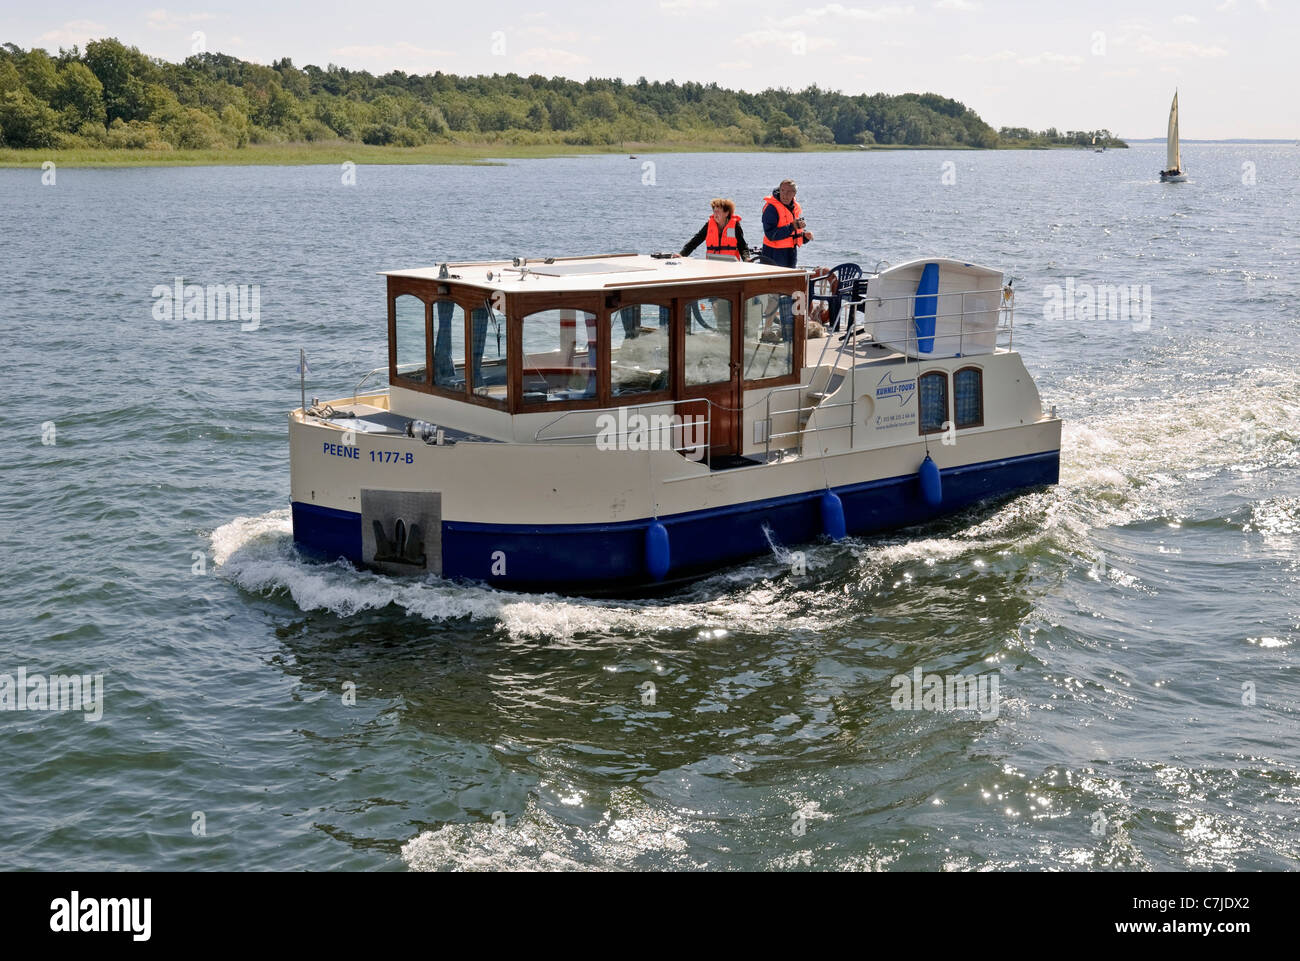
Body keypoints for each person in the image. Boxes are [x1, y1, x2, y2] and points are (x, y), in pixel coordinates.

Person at [760, 178, 813, 268]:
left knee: (789, 281)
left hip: (790, 252)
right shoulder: (771, 208)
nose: (785, 194)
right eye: (783, 190)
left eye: (789, 192)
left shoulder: (794, 207)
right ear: (779, 190)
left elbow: (794, 232)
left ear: (794, 194)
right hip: (773, 253)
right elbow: (771, 235)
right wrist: (793, 226)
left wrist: (804, 236)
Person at [680, 198, 750, 261]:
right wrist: (682, 254)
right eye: (714, 211)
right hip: (713, 264)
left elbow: (742, 246)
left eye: (718, 212)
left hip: (731, 265)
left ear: (726, 213)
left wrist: (746, 258)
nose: (715, 215)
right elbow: (695, 241)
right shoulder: (709, 225)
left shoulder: (735, 226)